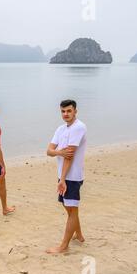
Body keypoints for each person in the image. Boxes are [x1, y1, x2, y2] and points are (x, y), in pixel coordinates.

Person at [46, 99, 87, 253]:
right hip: (62, 175)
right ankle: (79, 235)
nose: (66, 114)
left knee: (72, 209)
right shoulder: (61, 129)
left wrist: (62, 180)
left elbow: (69, 156)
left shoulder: (79, 127)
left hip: (72, 176)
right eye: (63, 111)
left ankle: (64, 246)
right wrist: (59, 152)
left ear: (75, 111)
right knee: (70, 209)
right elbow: (49, 151)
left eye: (69, 111)